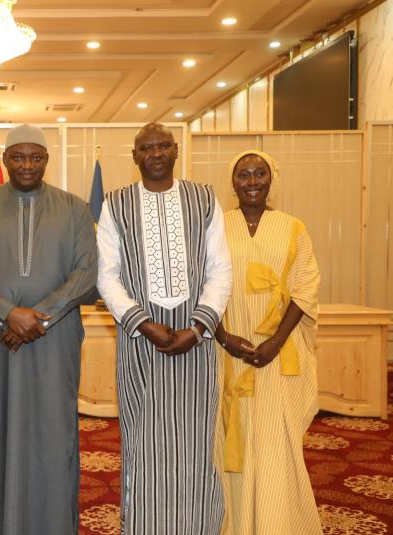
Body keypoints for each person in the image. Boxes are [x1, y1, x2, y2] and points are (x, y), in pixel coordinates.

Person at [0, 124, 98, 535]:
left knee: (55, 432)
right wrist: (8, 314)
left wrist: (38, 317)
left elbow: (86, 273)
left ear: (47, 160)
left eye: (36, 157)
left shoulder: (74, 209)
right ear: (5, 160)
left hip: (55, 338)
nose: (27, 165)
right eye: (18, 157)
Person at [96, 122, 232, 534]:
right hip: (141, 343)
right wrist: (142, 323)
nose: (155, 153)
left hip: (196, 342)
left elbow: (221, 269)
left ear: (176, 151)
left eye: (163, 146)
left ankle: (197, 525)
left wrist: (199, 326)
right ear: (134, 156)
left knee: (196, 440)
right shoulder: (115, 204)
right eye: (146, 148)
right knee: (143, 439)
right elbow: (106, 275)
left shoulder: (203, 199)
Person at [215, 150, 321, 534]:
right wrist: (223, 337)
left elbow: (305, 289)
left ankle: (276, 522)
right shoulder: (216, 226)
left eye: (259, 173)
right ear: (233, 182)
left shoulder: (294, 227)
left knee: (277, 442)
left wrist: (275, 342)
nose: (252, 181)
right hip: (229, 352)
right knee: (233, 439)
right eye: (243, 174)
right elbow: (201, 287)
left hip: (276, 353)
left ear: (271, 179)